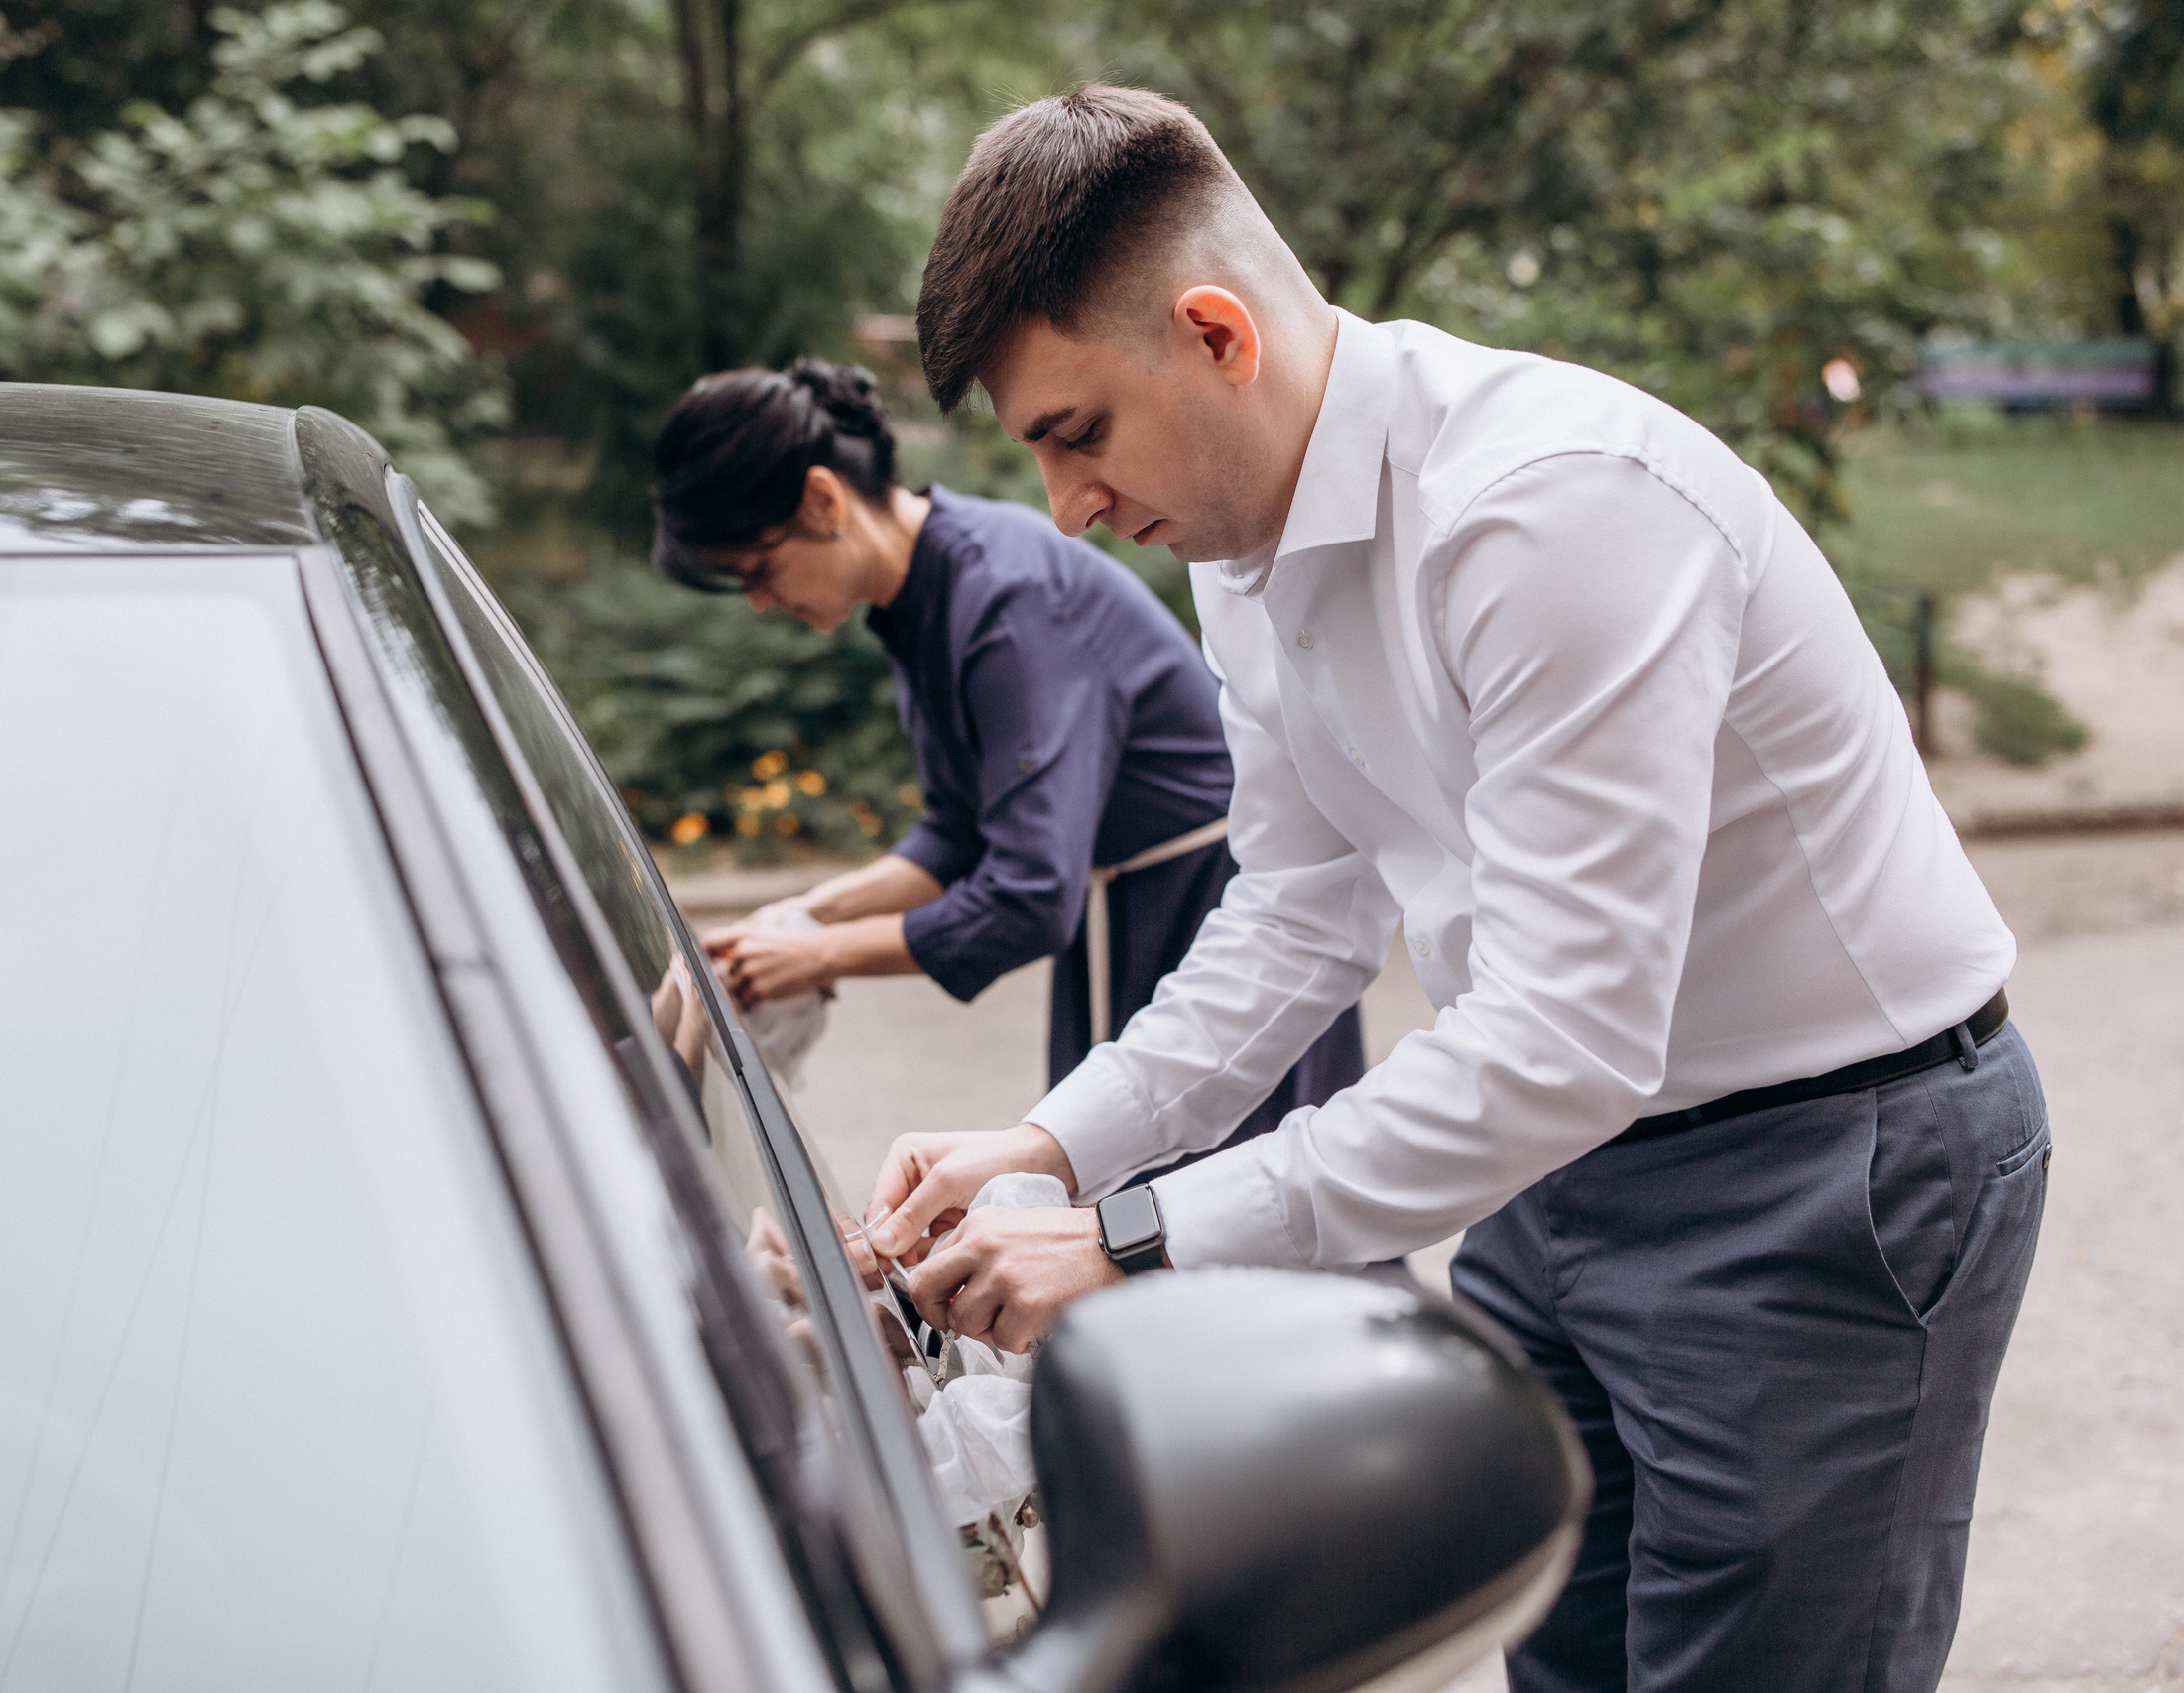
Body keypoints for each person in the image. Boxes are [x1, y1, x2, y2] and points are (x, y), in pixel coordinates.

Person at [862, 86, 2047, 1693]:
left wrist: (1132, 1238)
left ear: (1219, 334)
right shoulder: (1235, 547)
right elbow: (1296, 913)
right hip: (1545, 1176)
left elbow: (1566, 1034)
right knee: (1554, 1657)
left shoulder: (1552, 509)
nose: (1066, 506)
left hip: (1824, 1172)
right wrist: (1053, 1143)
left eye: (1078, 432)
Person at [648, 358, 1364, 1173]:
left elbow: (1028, 892)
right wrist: (805, 914)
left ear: (821, 499)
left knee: (1230, 1216)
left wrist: (815, 956)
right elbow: (959, 830)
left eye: (758, 569)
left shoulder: (1005, 599)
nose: (759, 601)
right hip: (1130, 910)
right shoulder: (919, 596)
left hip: (1205, 914)